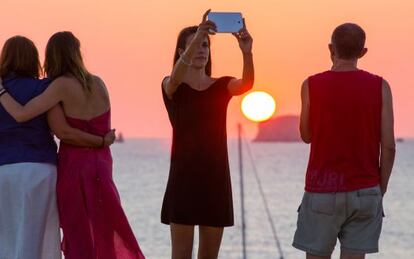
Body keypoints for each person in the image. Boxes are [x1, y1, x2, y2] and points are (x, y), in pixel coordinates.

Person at [0, 32, 145, 259]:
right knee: (105, 226)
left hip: (74, 166)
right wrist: (101, 142)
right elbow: (99, 126)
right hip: (102, 164)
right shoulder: (99, 84)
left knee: (77, 231)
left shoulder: (58, 87)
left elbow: (49, 126)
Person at [292, 23, 396, 259]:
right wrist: (380, 189)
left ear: (331, 49)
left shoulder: (311, 84)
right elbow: (388, 146)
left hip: (322, 190)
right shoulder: (380, 86)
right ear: (363, 52)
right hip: (365, 190)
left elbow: (306, 135)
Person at [161, 10, 254, 259]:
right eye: (193, 45)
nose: (201, 49)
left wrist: (247, 52)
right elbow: (174, 80)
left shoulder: (221, 86)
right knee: (180, 254)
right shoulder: (172, 85)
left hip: (215, 180)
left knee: (209, 256)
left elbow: (246, 84)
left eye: (204, 44)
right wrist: (199, 33)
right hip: (183, 179)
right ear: (181, 52)